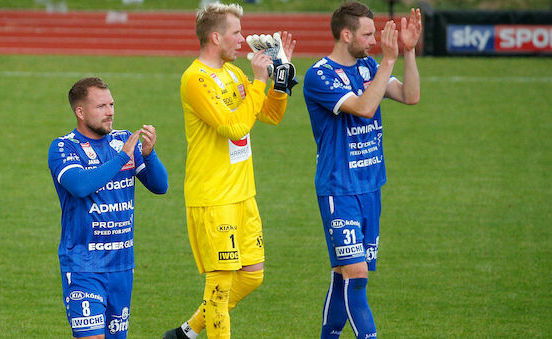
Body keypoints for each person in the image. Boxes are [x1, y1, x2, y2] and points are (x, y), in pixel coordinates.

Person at [162, 2, 295, 339]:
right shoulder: (195, 79)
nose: (243, 39)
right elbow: (233, 127)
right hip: (213, 196)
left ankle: (186, 333)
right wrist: (260, 80)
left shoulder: (234, 74)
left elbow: (269, 115)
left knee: (252, 275)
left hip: (242, 194)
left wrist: (281, 79)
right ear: (215, 36)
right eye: (236, 32)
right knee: (219, 285)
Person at [303, 2, 421, 338]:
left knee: (344, 275)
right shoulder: (319, 75)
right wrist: (387, 60)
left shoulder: (369, 66)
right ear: (346, 34)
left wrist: (408, 52)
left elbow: (410, 96)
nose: (374, 40)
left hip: (370, 187)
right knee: (356, 278)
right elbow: (365, 107)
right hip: (339, 189)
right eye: (367, 34)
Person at [48, 77, 168, 339]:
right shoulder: (63, 147)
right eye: (101, 106)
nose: (111, 111)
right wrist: (123, 157)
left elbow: (161, 186)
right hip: (83, 266)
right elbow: (80, 186)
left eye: (111, 104)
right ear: (80, 112)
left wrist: (148, 154)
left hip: (121, 266)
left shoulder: (124, 140)